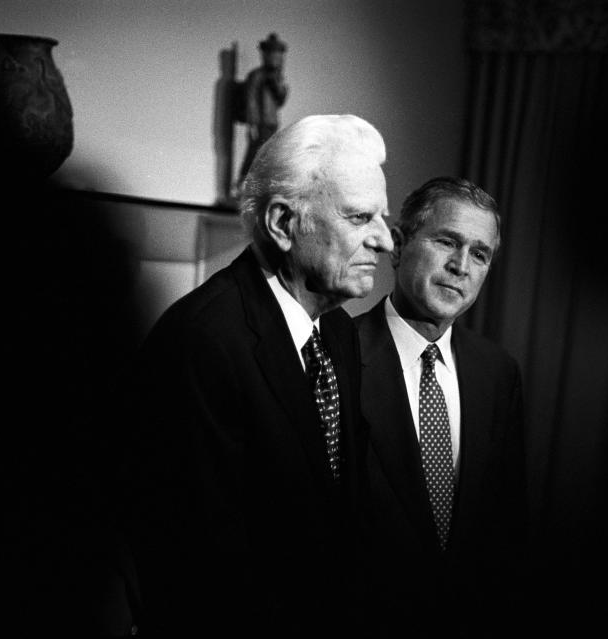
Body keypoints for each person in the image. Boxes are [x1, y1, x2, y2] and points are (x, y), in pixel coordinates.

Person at [121, 114, 393, 637]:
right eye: (361, 217)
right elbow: (195, 561)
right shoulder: (202, 341)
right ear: (282, 224)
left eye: (382, 217)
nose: (384, 240)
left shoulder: (335, 332)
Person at [354, 177, 528, 637]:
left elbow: (507, 531)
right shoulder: (337, 356)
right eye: (447, 242)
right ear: (398, 243)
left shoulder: (498, 373)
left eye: (480, 253)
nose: (460, 266)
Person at [237, 32, 288, 182]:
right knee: (255, 154)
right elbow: (251, 100)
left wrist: (276, 83)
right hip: (260, 123)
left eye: (278, 55)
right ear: (265, 55)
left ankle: (257, 187)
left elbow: (280, 100)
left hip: (272, 122)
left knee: (267, 155)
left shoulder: (276, 78)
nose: (275, 58)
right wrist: (252, 123)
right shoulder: (256, 75)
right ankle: (242, 184)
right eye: (272, 54)